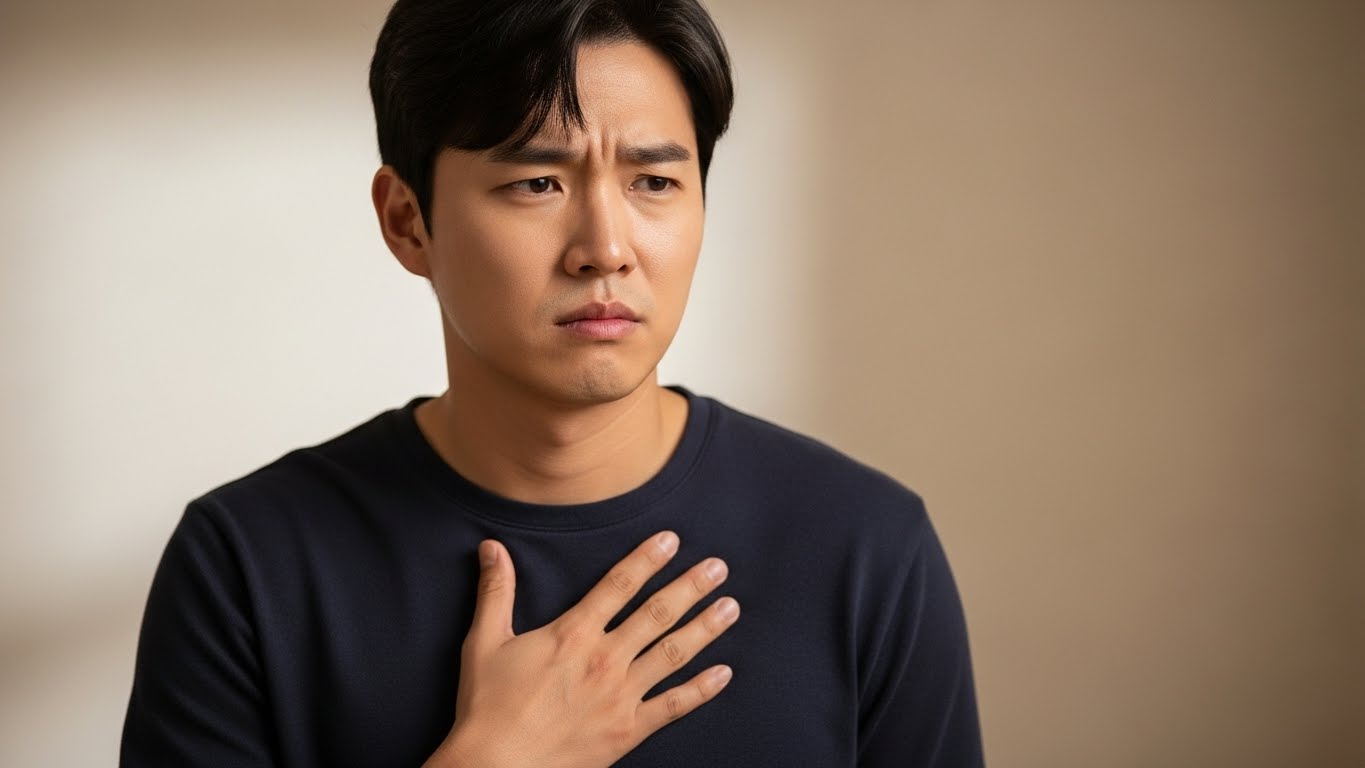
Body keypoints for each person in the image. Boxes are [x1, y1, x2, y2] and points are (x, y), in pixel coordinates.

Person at [120, 0, 985, 765]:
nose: (605, 248)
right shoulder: (247, 564)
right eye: (536, 182)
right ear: (407, 221)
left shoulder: (865, 545)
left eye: (654, 182)